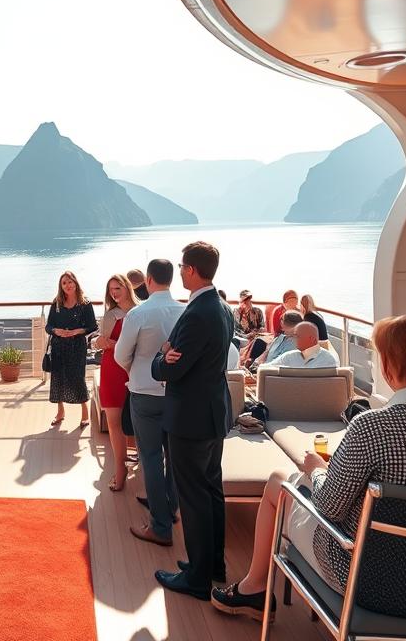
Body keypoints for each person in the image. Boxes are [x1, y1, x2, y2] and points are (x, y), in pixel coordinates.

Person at [211, 315, 406, 622]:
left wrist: (318, 469)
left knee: (279, 482)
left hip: (364, 580)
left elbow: (328, 507)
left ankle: (253, 587)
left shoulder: (372, 428)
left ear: (387, 368)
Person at [150, 241, 234, 600]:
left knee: (194, 496)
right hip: (214, 412)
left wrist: (161, 356)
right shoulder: (223, 308)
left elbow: (171, 367)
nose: (181, 271)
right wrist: (170, 354)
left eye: (183, 266)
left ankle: (198, 578)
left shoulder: (198, 313)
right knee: (212, 490)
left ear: (191, 270)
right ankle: (212, 563)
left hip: (190, 418)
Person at [115, 259, 185, 546]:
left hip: (144, 392)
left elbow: (121, 354)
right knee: (175, 456)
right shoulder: (184, 311)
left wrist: (136, 368)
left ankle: (160, 526)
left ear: (148, 279)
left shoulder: (139, 314)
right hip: (177, 392)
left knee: (152, 457)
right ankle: (169, 509)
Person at [95, 274, 139, 491]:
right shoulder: (110, 314)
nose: (114, 292)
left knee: (138, 421)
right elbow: (102, 340)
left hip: (133, 369)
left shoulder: (140, 312)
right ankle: (120, 468)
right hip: (111, 369)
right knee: (113, 422)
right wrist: (99, 341)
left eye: (118, 287)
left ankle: (144, 465)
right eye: (111, 289)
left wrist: (114, 344)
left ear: (127, 287)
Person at [46, 271, 98, 430]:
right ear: (61, 286)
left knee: (77, 378)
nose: (67, 285)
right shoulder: (57, 303)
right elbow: (48, 326)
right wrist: (56, 331)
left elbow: (93, 326)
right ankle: (60, 412)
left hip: (77, 347)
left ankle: (85, 413)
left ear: (75, 283)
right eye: (64, 283)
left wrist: (77, 331)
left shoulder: (85, 304)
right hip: (58, 346)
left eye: (70, 282)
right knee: (58, 378)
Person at [265, 321, 339, 369]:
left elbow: (264, 370)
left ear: (311, 339)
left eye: (297, 336)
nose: (293, 338)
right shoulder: (330, 360)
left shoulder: (289, 358)